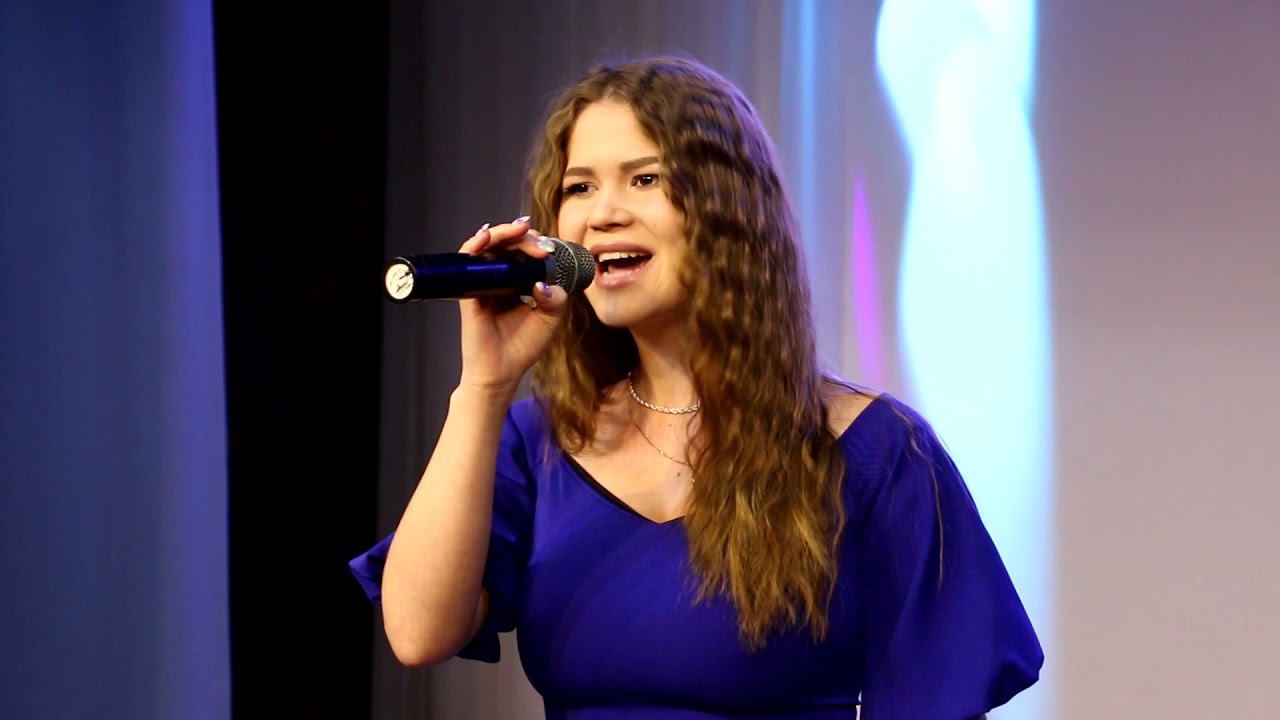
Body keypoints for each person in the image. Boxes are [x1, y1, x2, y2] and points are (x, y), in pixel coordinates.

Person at [351, 56, 1041, 719]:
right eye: (579, 187)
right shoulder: (534, 444)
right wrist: (484, 386)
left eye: (645, 179)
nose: (603, 213)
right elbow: (417, 634)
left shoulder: (877, 453)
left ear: (729, 211)